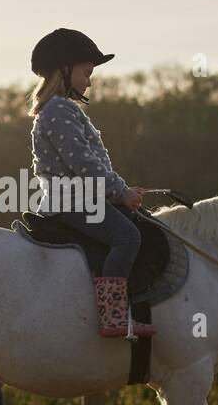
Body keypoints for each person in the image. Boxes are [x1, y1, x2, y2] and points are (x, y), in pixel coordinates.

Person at [28, 27, 156, 338]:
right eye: (86, 72)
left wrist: (119, 191)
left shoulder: (61, 109)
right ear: (65, 69)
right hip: (71, 202)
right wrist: (119, 192)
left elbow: (90, 164)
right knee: (127, 236)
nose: (89, 80)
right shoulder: (59, 109)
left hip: (81, 198)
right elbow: (84, 164)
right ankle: (113, 317)